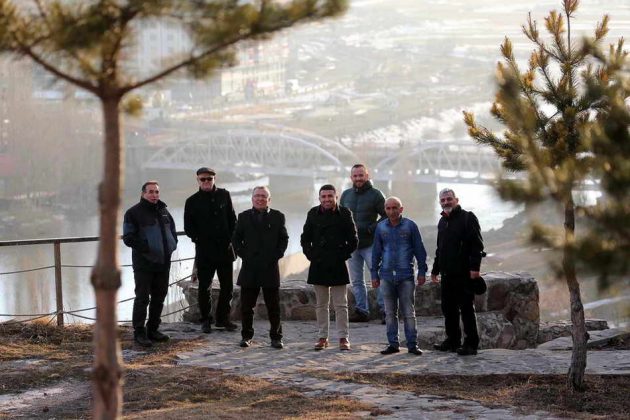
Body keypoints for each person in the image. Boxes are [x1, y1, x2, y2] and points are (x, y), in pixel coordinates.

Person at [301, 184, 358, 351]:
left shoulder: (345, 213)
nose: (327, 199)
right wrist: (312, 255)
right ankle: (322, 337)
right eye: (324, 196)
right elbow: (305, 239)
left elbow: (353, 240)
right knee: (321, 305)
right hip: (318, 263)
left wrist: (342, 255)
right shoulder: (312, 213)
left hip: (338, 263)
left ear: (336, 197)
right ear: (319, 198)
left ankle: (343, 338)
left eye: (330, 196)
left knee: (341, 305)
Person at [232, 186, 289, 349]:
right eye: (257, 196)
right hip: (249, 266)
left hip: (270, 266)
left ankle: (276, 338)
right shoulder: (243, 217)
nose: (260, 199)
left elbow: (283, 239)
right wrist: (244, 255)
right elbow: (236, 239)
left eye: (263, 196)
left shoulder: (278, 216)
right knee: (246, 307)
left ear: (269, 199)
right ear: (252, 199)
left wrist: (276, 255)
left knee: (274, 307)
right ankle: (246, 336)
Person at [431, 188, 485, 356]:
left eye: (449, 199)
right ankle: (453, 341)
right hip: (447, 274)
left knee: (467, 309)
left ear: (456, 200)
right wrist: (435, 269)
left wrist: (475, 269)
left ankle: (471, 344)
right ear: (440, 202)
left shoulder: (468, 218)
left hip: (464, 273)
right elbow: (440, 248)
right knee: (448, 309)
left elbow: (477, 245)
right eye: (443, 200)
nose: (446, 202)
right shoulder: (442, 221)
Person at [123, 181, 178, 347]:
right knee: (142, 298)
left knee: (159, 297)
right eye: (151, 192)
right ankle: (139, 333)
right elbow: (128, 238)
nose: (154, 195)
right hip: (144, 263)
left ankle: (153, 329)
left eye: (157, 192)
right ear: (143, 194)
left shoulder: (163, 210)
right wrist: (148, 248)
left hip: (163, 262)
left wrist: (172, 245)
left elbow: (172, 231)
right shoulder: (133, 213)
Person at [371, 197, 426, 355]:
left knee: (409, 313)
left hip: (405, 275)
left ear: (401, 209)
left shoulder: (410, 226)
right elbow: (376, 252)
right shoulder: (381, 227)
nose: (391, 211)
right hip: (386, 276)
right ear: (385, 210)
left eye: (395, 208)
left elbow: (419, 250)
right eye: (388, 208)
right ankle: (393, 344)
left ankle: (412, 345)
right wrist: (374, 274)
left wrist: (422, 271)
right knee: (389, 313)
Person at [184, 167, 237, 333]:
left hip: (225, 250)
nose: (206, 181)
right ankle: (205, 320)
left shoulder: (224, 195)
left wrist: (231, 239)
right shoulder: (191, 201)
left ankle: (223, 319)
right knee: (204, 287)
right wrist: (199, 239)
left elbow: (232, 219)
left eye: (209, 178)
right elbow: (188, 227)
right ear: (198, 180)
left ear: (215, 179)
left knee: (227, 287)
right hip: (204, 251)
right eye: (203, 179)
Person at [340, 164, 386, 323]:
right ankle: (362, 311)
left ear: (367, 176)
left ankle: (385, 311)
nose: (358, 178)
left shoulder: (376, 195)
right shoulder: (346, 195)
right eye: (355, 176)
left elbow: (386, 215)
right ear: (351, 177)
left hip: (371, 244)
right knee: (357, 281)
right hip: (352, 245)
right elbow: (340, 217)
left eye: (361, 175)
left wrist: (371, 228)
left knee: (378, 278)